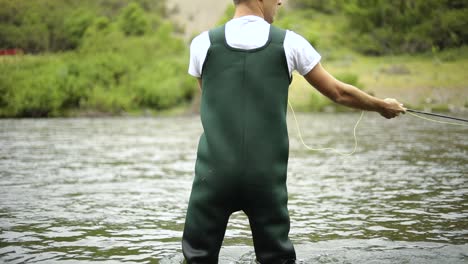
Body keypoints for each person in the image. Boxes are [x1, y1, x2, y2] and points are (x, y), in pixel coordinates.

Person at [182, 0, 407, 263]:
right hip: (265, 180)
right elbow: (338, 92)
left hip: (213, 177)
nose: (280, 1)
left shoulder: (202, 44)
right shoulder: (290, 43)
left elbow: (210, 97)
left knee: (197, 257)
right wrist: (381, 106)